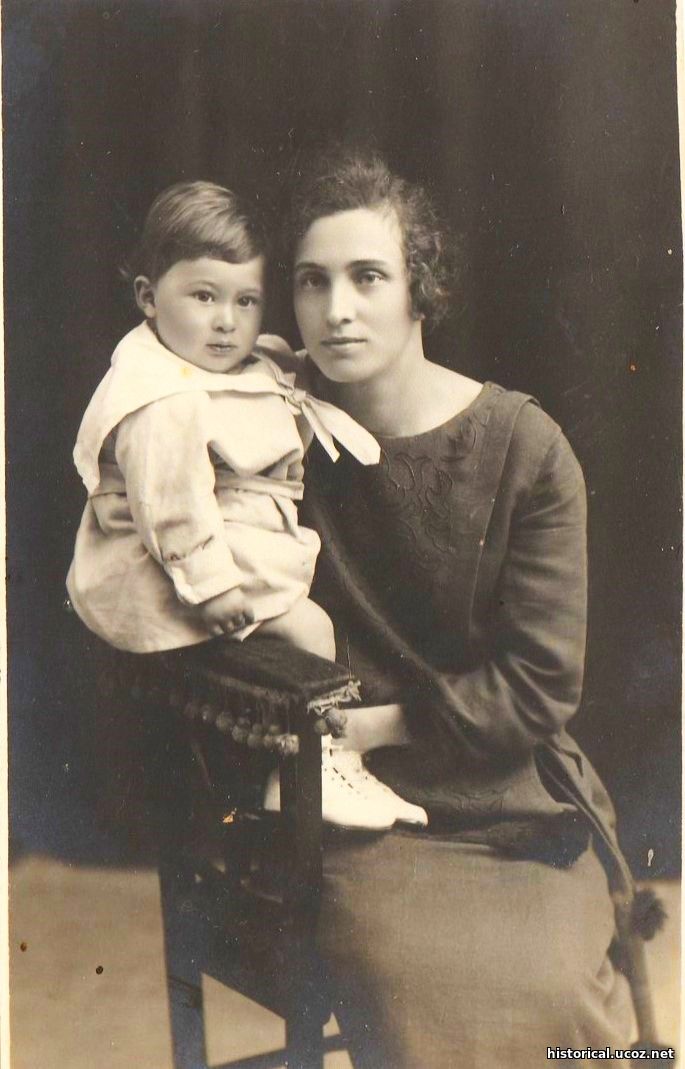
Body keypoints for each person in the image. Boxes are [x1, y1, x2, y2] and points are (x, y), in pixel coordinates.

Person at [281, 146, 644, 1067]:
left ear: (419, 288)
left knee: (554, 990)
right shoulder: (271, 435)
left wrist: (380, 725)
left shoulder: (524, 449)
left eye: (367, 276)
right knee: (410, 978)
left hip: (515, 796)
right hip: (362, 813)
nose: (336, 308)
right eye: (312, 281)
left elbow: (539, 683)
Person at [66, 179, 425, 831]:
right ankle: (314, 771)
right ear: (148, 297)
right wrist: (212, 588)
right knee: (311, 629)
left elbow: (274, 371)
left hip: (226, 539)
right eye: (203, 297)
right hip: (173, 564)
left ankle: (326, 759)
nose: (227, 322)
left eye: (246, 300)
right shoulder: (161, 397)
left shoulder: (233, 361)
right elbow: (172, 508)